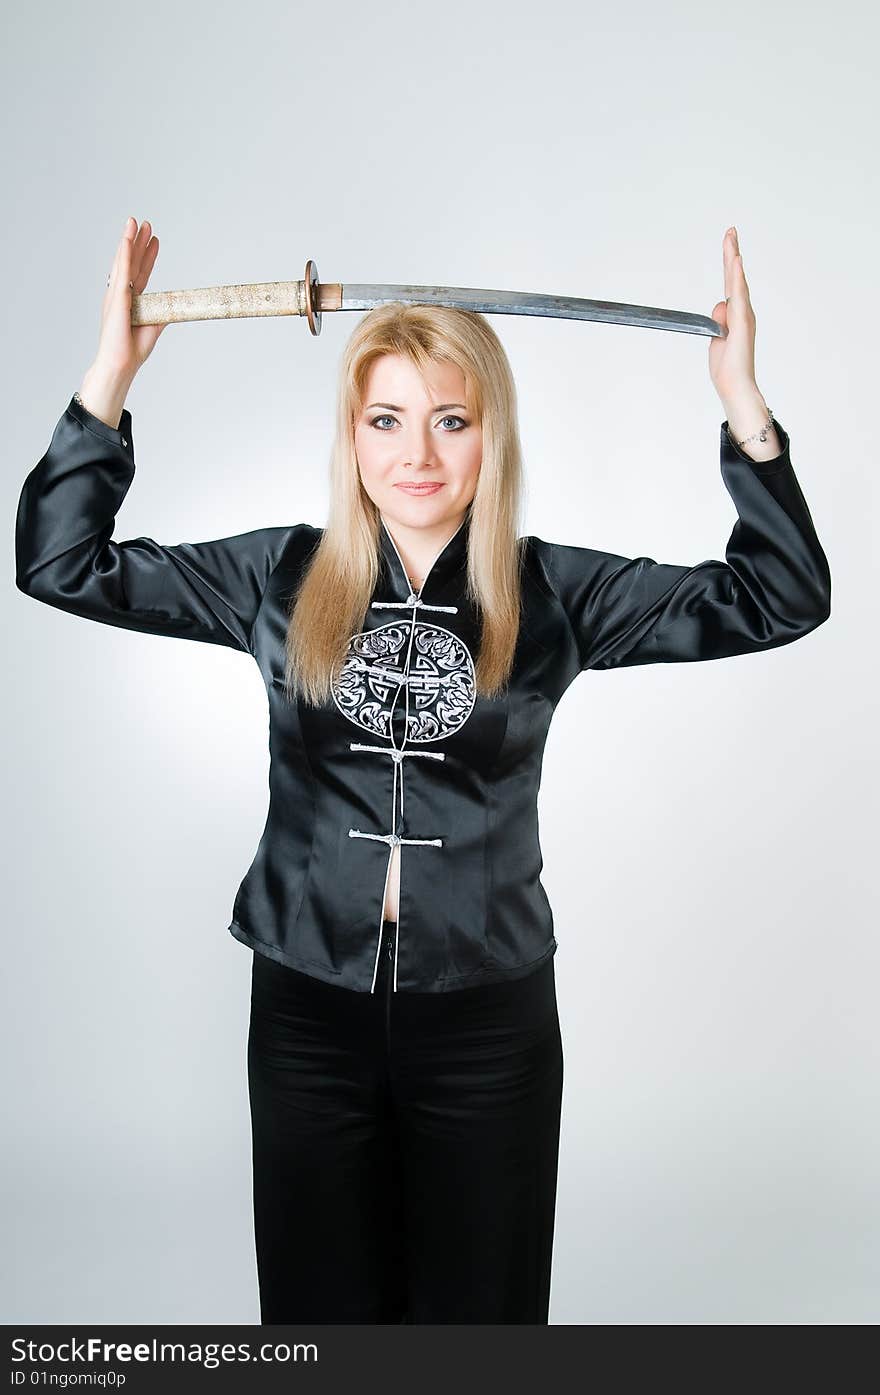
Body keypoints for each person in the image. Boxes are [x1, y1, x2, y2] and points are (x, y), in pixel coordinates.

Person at [15, 217, 831, 1324]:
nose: (418, 454)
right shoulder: (279, 576)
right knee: (319, 1315)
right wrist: (110, 373)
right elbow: (61, 564)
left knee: (480, 1319)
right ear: (352, 437)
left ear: (491, 438)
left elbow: (776, 599)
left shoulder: (555, 593)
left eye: (451, 420)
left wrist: (741, 402)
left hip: (486, 1013)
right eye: (386, 420)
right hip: (306, 1004)